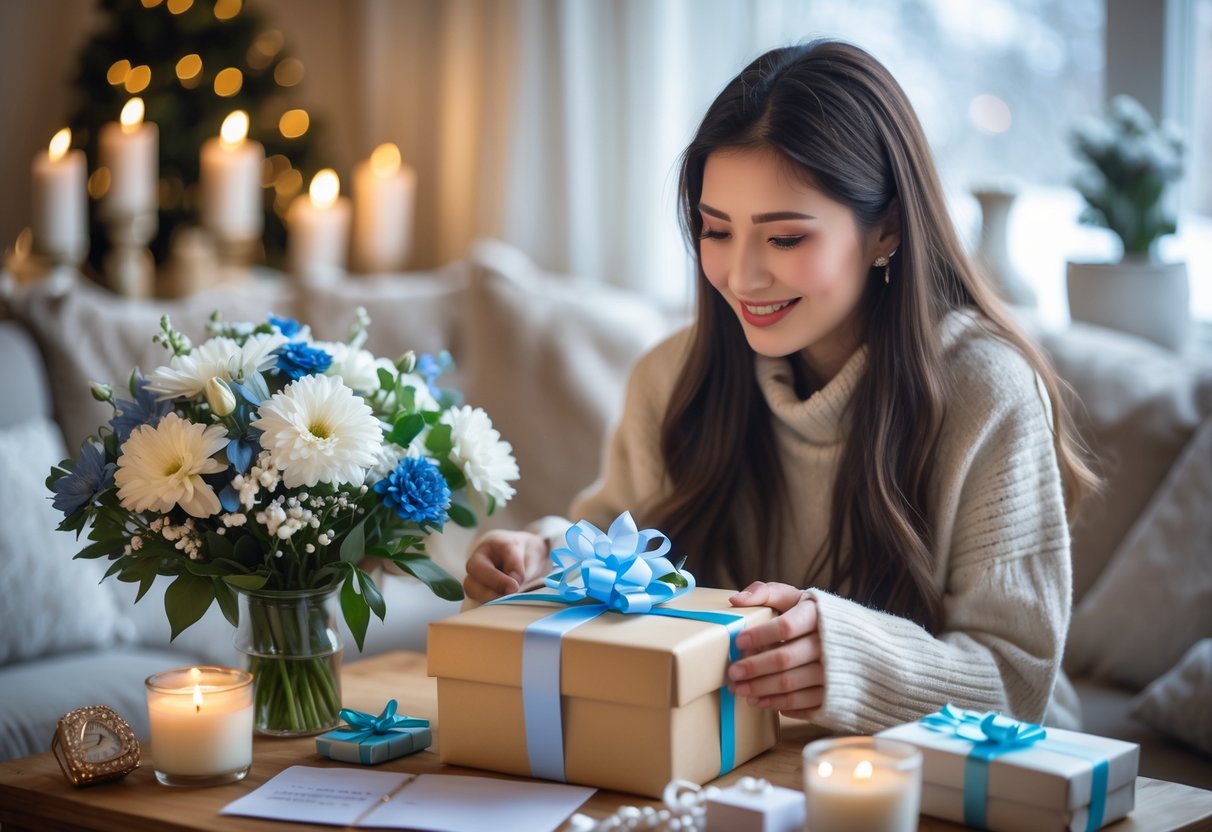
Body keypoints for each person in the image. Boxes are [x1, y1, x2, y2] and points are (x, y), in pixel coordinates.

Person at [463, 40, 1096, 733]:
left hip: (982, 781)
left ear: (884, 229)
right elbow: (617, 544)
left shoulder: (988, 394)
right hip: (747, 764)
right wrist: (539, 561)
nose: (741, 276)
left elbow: (1017, 681)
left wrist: (848, 657)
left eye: (785, 239)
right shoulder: (672, 376)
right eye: (715, 231)